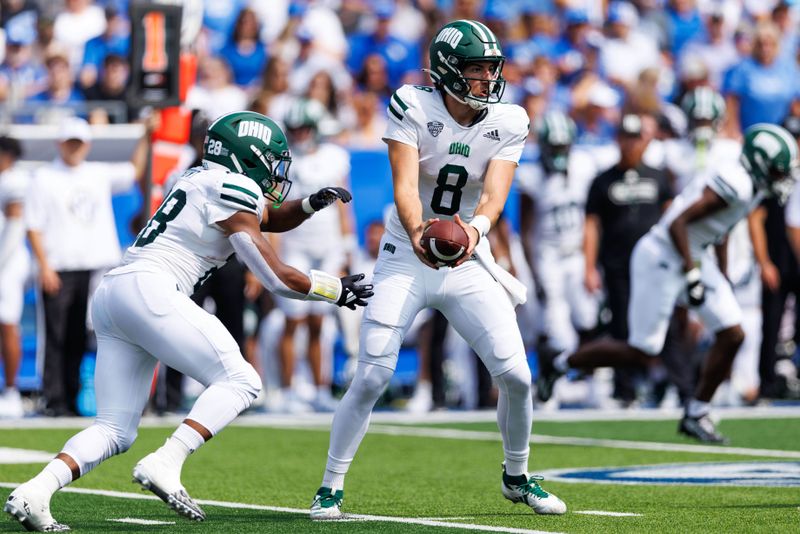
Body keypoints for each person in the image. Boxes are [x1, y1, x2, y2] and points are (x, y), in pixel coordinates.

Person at [4, 111, 373, 531]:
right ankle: (167, 460)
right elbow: (274, 277)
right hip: (152, 288)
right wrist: (335, 289)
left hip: (116, 292)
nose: (275, 172)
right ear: (246, 158)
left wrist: (310, 204)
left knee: (115, 430)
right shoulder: (231, 187)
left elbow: (267, 218)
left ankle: (35, 491)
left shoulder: (204, 179)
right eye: (269, 160)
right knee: (241, 380)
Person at [310, 20, 566, 520]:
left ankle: (517, 476)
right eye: (477, 69)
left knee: (516, 375)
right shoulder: (412, 104)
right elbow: (405, 186)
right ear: (448, 70)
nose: (488, 79)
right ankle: (330, 485)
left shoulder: (508, 120)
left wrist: (473, 233)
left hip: (467, 255)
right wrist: (421, 232)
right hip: (406, 252)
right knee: (371, 376)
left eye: (492, 68)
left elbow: (494, 195)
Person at [539, 123, 799, 443]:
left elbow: (721, 227)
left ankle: (697, 411)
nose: (782, 178)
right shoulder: (737, 183)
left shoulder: (751, 186)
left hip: (692, 253)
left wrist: (723, 273)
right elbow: (679, 222)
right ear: (758, 163)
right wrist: (692, 274)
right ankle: (560, 363)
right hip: (662, 256)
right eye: (777, 171)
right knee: (642, 350)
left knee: (733, 332)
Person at [25, 117, 149, 417]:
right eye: (70, 143)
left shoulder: (96, 173)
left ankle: (72, 398)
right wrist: (44, 266)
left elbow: (135, 170)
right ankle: (54, 399)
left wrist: (146, 134)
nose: (74, 149)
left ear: (87, 145)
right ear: (60, 144)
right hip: (60, 266)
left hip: (94, 267)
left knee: (81, 336)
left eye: (78, 143)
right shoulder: (44, 178)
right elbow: (33, 226)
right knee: (55, 335)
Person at [273, 98, 354, 413]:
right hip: (296, 246)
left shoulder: (335, 157)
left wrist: (347, 246)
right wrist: (274, 254)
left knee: (320, 321)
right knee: (293, 321)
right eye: (295, 129)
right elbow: (275, 208)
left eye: (304, 128)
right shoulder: (285, 161)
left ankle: (320, 388)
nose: (299, 134)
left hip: (329, 246)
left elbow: (347, 207)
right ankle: (286, 389)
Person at [519, 110, 598, 359]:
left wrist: (590, 264)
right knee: (555, 327)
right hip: (548, 255)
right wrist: (534, 274)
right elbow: (526, 231)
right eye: (554, 147)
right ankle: (556, 378)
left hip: (577, 252)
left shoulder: (583, 166)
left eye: (563, 146)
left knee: (589, 317)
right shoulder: (531, 177)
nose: (559, 152)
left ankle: (590, 377)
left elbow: (590, 220)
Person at [0, 136, 28, 418]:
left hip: (7, 266)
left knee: (7, 324)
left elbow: (15, 225)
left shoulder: (13, 181)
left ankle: (11, 391)